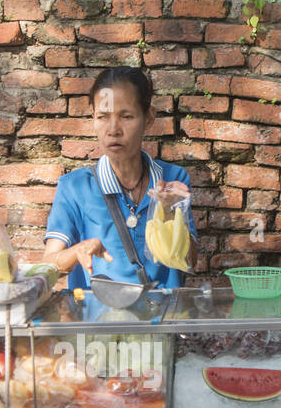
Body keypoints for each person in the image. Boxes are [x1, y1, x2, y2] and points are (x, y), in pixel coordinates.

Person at [43, 67, 197, 290]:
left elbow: (190, 262)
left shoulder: (173, 179)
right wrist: (77, 251)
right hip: (97, 321)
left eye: (126, 116)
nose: (113, 130)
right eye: (102, 117)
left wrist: (171, 211)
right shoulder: (74, 188)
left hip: (163, 319)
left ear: (149, 118)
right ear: (93, 118)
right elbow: (48, 263)